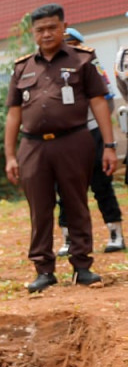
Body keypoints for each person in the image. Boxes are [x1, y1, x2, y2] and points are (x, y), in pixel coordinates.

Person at [5, 3, 118, 293]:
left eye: (52, 27)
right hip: (33, 146)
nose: (46, 34)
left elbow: (98, 102)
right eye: (40, 29)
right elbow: (14, 113)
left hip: (74, 141)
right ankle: (44, 269)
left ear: (63, 27)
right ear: (33, 33)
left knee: (76, 202)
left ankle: (82, 265)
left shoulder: (82, 59)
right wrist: (9, 155)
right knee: (39, 208)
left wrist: (108, 145)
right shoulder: (22, 67)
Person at [55, 27, 122, 255]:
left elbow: (108, 101)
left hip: (91, 131)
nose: (68, 46)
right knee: (64, 189)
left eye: (72, 42)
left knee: (101, 184)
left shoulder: (91, 65)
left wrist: (103, 133)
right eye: (64, 43)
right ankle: (67, 239)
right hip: (64, 137)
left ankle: (115, 234)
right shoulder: (52, 68)